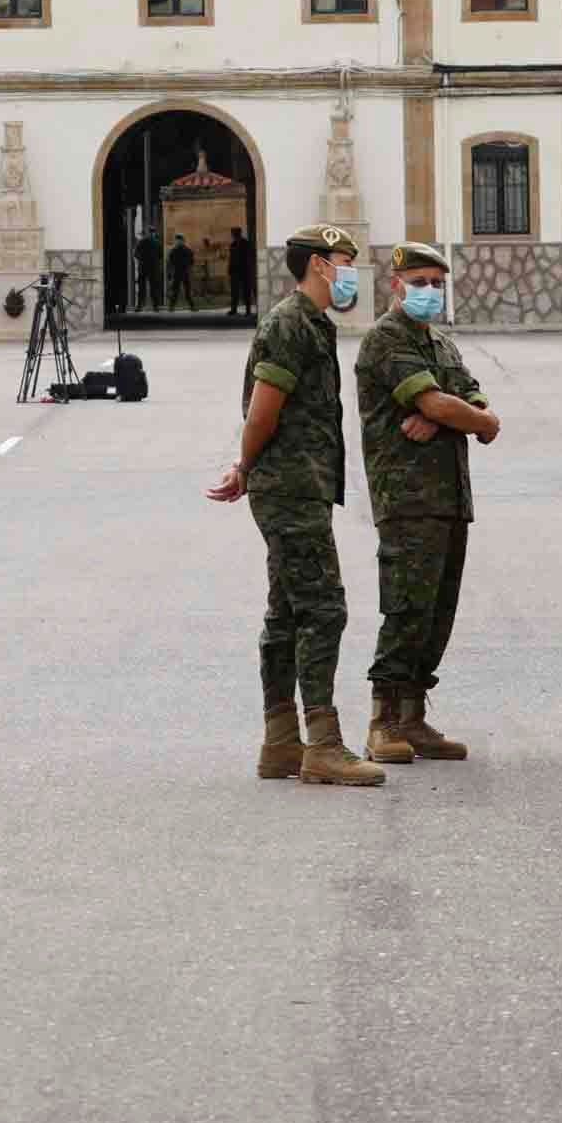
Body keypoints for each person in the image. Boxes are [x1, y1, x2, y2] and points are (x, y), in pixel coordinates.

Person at [206, 223, 380, 789]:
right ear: (318, 265)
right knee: (324, 607)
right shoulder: (288, 324)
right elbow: (263, 410)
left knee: (286, 611)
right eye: (343, 259)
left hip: (299, 484)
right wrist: (246, 466)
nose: (350, 268)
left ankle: (281, 741)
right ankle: (323, 744)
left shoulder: (313, 324)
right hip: (289, 488)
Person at [353, 241, 500, 766]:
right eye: (419, 283)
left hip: (448, 497)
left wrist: (451, 416)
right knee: (406, 609)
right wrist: (459, 414)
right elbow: (443, 401)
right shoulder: (386, 340)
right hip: (407, 497)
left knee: (438, 612)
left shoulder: (440, 343)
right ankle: (382, 720)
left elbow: (473, 399)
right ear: (396, 286)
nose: (430, 292)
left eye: (437, 283)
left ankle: (413, 718)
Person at [227, 229, 256, 319]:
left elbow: (250, 256)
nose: (233, 235)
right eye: (233, 234)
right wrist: (230, 269)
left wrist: (250, 268)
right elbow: (231, 258)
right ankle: (234, 309)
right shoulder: (233, 244)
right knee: (234, 291)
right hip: (235, 271)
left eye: (235, 233)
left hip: (245, 271)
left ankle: (248, 310)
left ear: (239, 233)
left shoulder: (246, 244)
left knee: (246, 291)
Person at [166, 232, 194, 314]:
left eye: (178, 240)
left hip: (178, 272)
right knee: (184, 290)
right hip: (183, 272)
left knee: (178, 291)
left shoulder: (173, 250)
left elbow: (169, 262)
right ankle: (191, 306)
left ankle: (172, 307)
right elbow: (191, 262)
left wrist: (170, 273)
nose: (177, 242)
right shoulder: (187, 250)